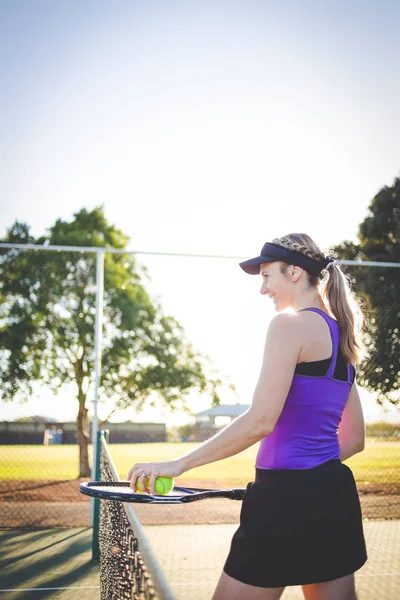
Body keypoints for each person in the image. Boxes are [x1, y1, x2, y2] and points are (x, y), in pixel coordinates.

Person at [127, 233, 368, 600]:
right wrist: (312, 476)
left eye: (267, 276)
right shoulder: (344, 337)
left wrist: (177, 464)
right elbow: (353, 440)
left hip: (283, 503)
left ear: (294, 272)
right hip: (334, 498)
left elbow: (260, 421)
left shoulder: (289, 326)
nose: (263, 289)